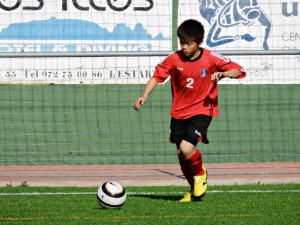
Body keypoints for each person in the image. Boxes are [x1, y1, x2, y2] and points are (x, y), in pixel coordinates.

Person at [133, 19, 246, 202]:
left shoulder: (211, 57)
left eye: (189, 43)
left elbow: (238, 70)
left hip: (203, 109)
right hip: (178, 112)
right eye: (182, 43)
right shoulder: (174, 58)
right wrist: (144, 95)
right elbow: (157, 76)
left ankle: (201, 174)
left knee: (187, 148)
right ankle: (194, 189)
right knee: (181, 154)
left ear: (199, 43)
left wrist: (224, 73)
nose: (184, 47)